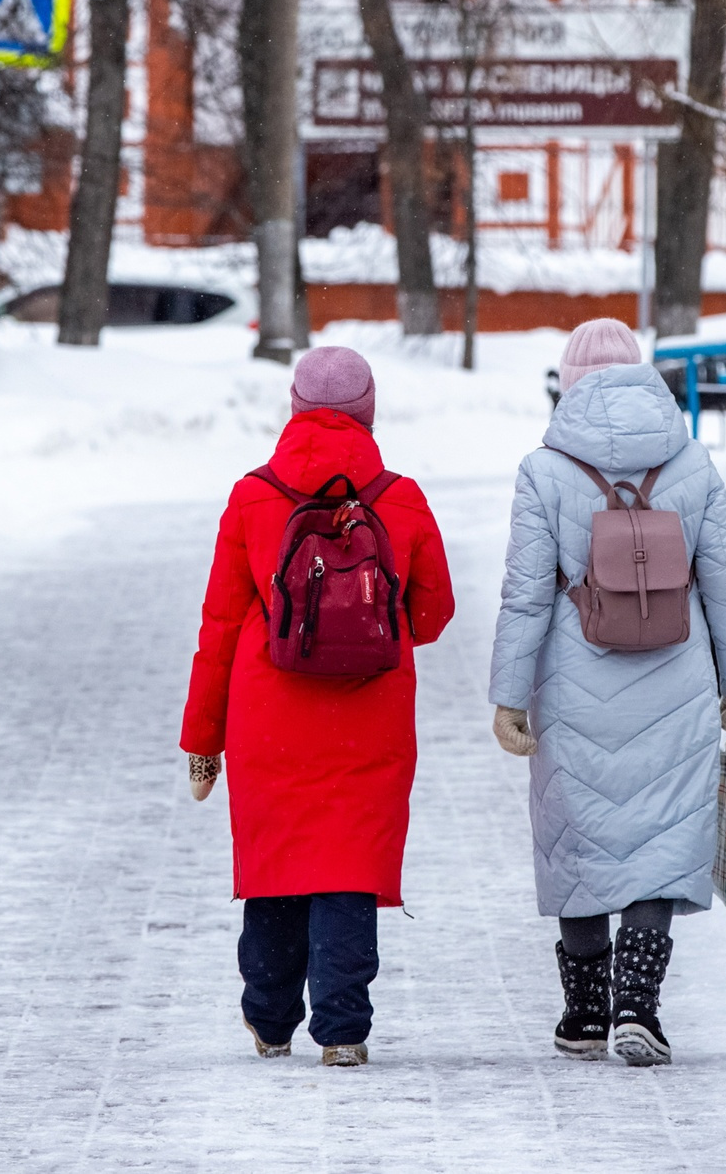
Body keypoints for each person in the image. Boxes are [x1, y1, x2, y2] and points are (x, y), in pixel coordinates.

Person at [489, 317, 726, 1065]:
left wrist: (509, 698)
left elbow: (524, 595)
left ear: (569, 384)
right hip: (676, 677)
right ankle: (637, 1006)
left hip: (573, 681)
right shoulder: (693, 464)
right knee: (659, 835)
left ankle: (584, 1011)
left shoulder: (544, 471)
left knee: (579, 837)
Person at [181, 346, 455, 1068]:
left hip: (268, 715)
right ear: (368, 413)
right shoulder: (401, 496)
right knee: (348, 865)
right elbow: (432, 614)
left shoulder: (252, 495)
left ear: (295, 409)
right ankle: (343, 1030)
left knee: (279, 862)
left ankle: (270, 1018)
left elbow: (217, 626)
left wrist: (203, 740)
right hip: (369, 714)